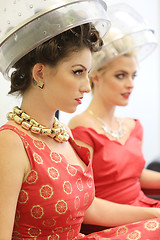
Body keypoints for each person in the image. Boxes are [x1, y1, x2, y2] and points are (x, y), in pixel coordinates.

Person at [1, 1, 160, 239]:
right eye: (78, 72)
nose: (87, 86)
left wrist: (153, 216)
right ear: (40, 73)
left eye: (87, 72)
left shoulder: (64, 133)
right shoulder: (10, 143)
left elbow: (89, 208)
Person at [69, 3, 160, 234]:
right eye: (121, 75)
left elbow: (134, 175)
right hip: (112, 222)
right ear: (96, 77)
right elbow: (84, 202)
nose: (130, 84)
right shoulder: (81, 129)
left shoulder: (132, 127)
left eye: (133, 75)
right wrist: (153, 214)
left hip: (145, 208)